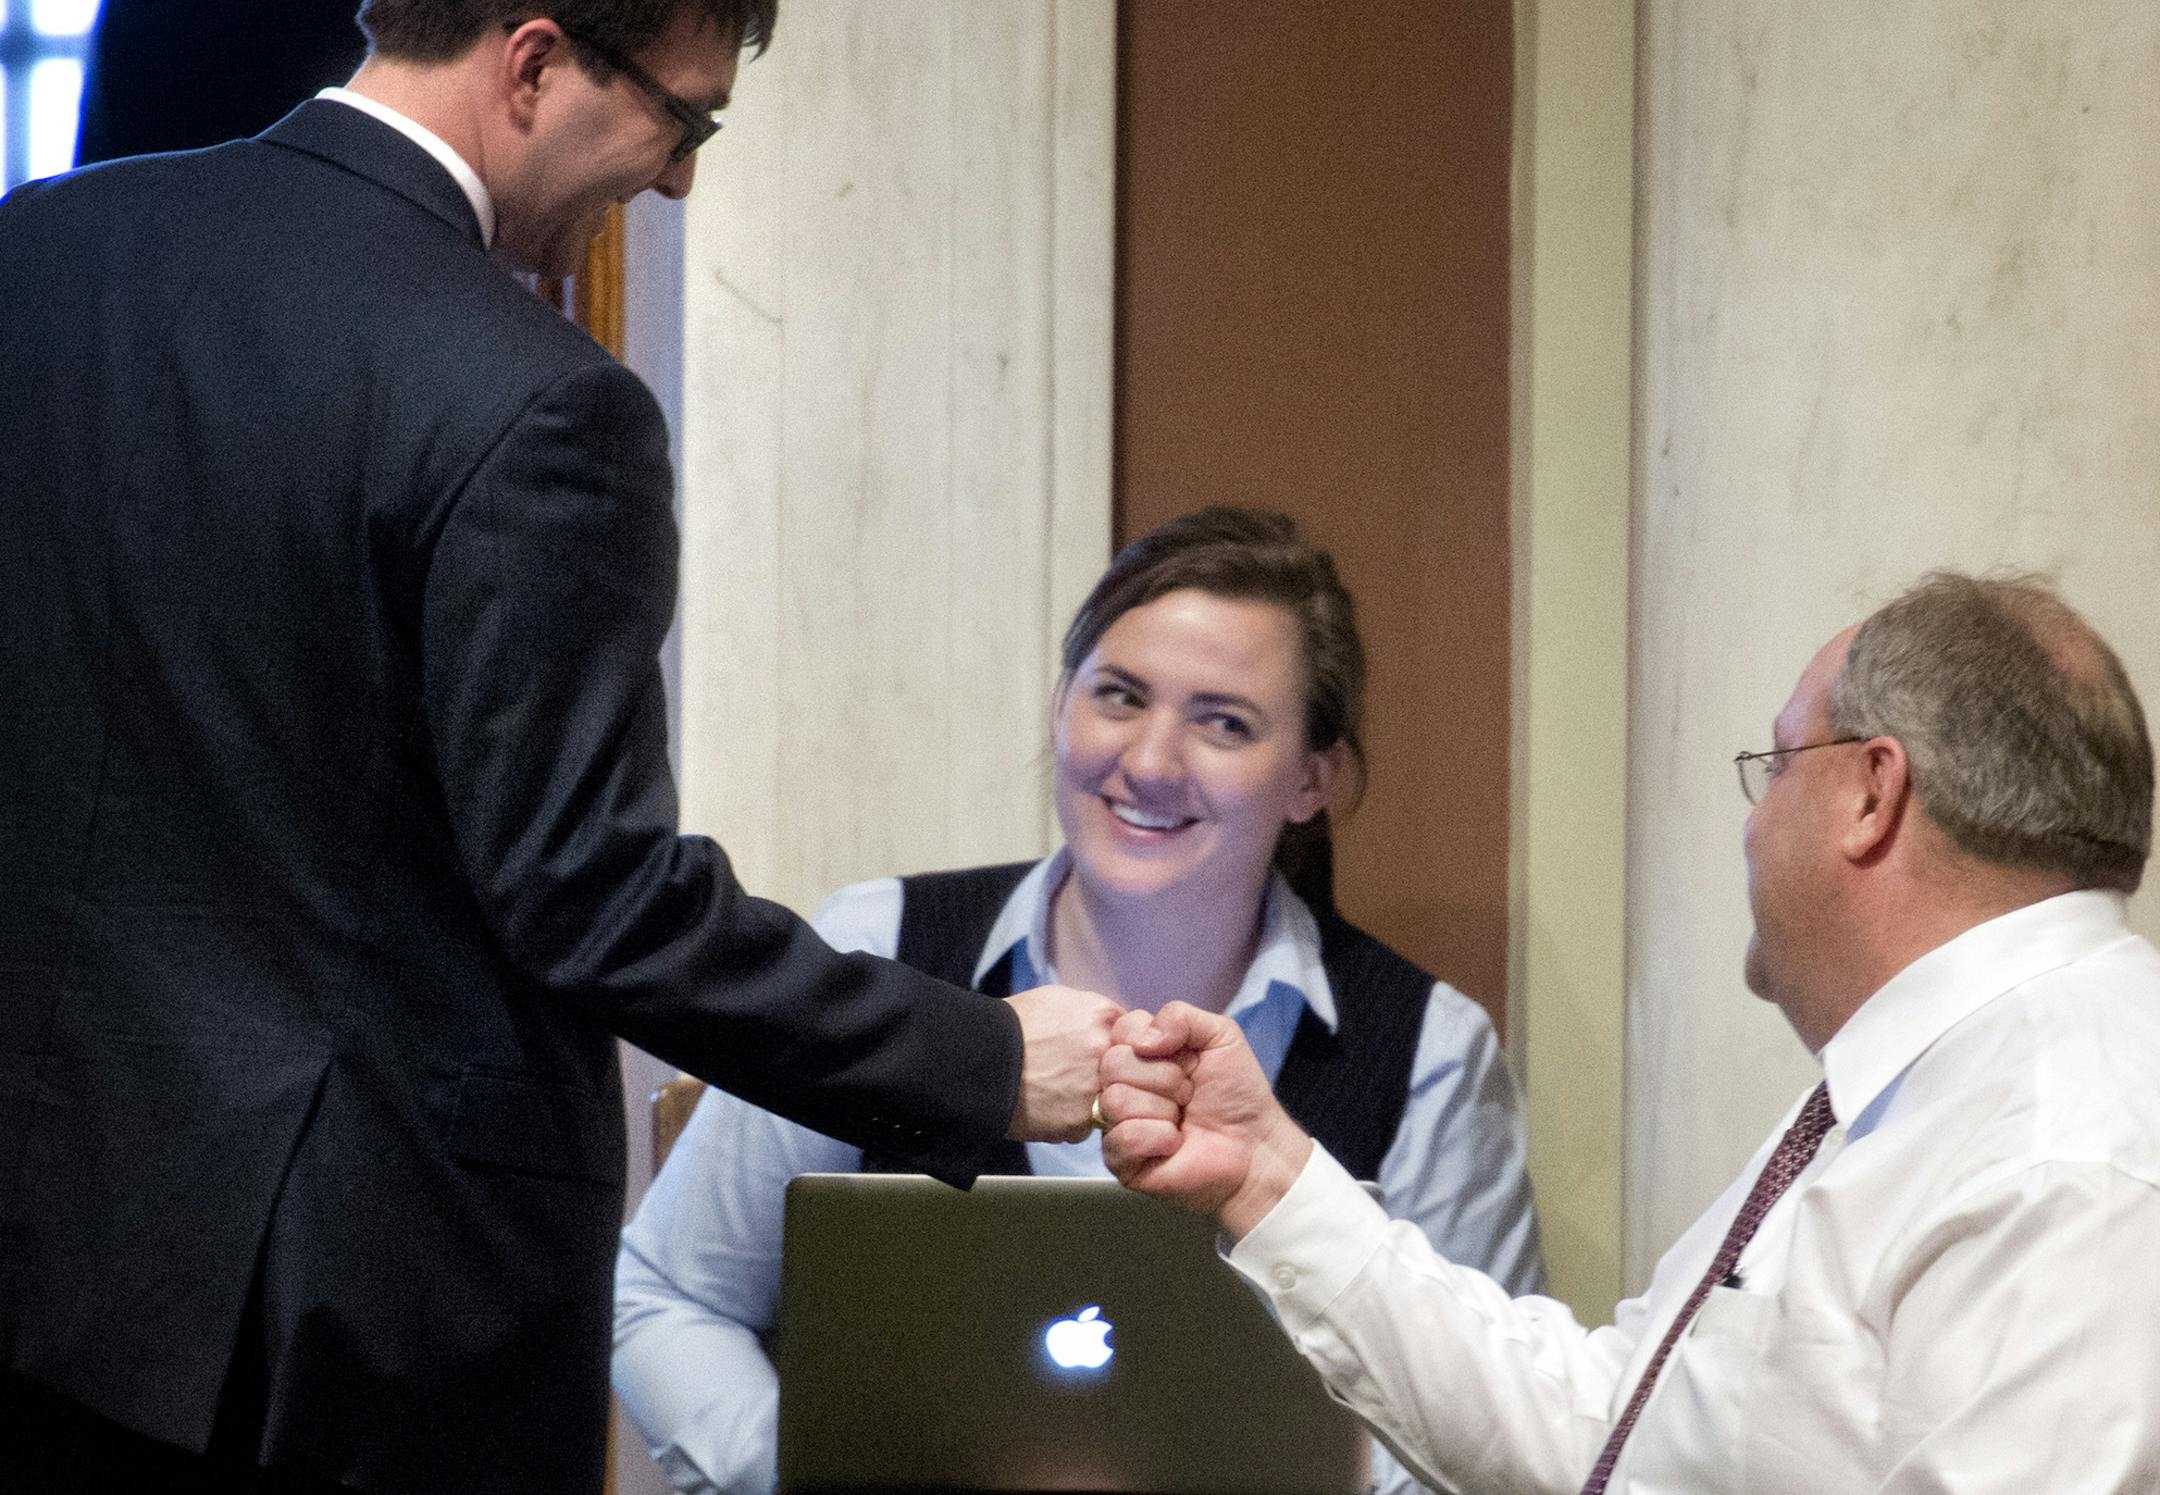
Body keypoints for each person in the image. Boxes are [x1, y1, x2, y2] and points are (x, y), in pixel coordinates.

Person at [0, 4, 1119, 1493]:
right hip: (347, 1314)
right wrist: (975, 1057)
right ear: (531, 61)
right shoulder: (538, 400)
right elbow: (589, 894)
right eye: (688, 121)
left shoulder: (40, 254)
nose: (679, 186)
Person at [1102, 571, 2160, 1493]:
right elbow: (1613, 1435)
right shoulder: (1923, 1084)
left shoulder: (2065, 1149)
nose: (1752, 823)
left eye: (1779, 763)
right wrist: (1264, 1173)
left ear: (1872, 794)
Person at [612, 505, 1546, 1495]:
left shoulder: (1429, 1053)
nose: (1147, 761)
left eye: (1223, 721)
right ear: (1062, 703)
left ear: (1314, 776)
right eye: (1119, 695)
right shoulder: (878, 950)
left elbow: (1477, 1422)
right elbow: (669, 1296)